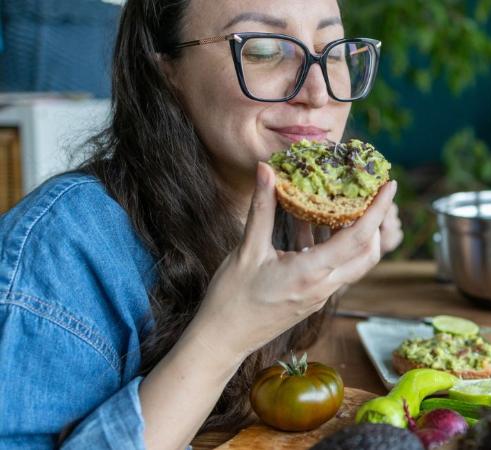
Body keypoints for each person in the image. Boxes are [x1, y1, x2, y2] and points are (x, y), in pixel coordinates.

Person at [0, 0, 402, 449]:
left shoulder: (284, 210)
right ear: (166, 68)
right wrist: (225, 335)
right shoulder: (60, 248)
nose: (319, 92)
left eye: (333, 51)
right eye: (264, 50)